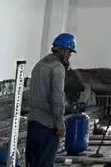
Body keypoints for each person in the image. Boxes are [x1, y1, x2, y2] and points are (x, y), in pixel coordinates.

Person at [27, 33, 76, 167]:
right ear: (63, 50)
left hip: (33, 123)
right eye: (69, 52)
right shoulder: (57, 68)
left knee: (32, 163)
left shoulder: (40, 64)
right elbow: (57, 98)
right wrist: (59, 123)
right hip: (47, 125)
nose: (69, 56)